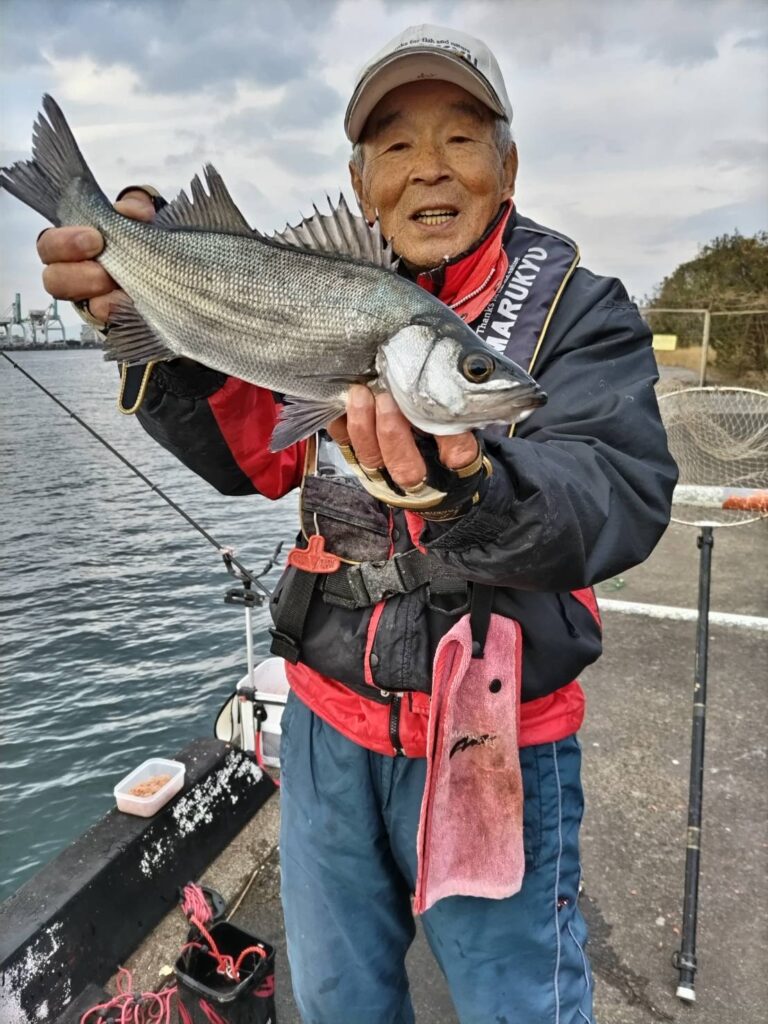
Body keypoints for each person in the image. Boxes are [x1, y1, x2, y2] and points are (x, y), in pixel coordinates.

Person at [36, 24, 677, 1024]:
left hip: (492, 730)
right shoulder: (315, 288)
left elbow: (617, 491)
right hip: (329, 725)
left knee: (522, 1004)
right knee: (336, 999)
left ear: (508, 166)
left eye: (463, 138)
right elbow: (249, 452)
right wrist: (144, 318)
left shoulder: (579, 312)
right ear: (359, 177)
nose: (430, 168)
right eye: (396, 145)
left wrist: (476, 494)